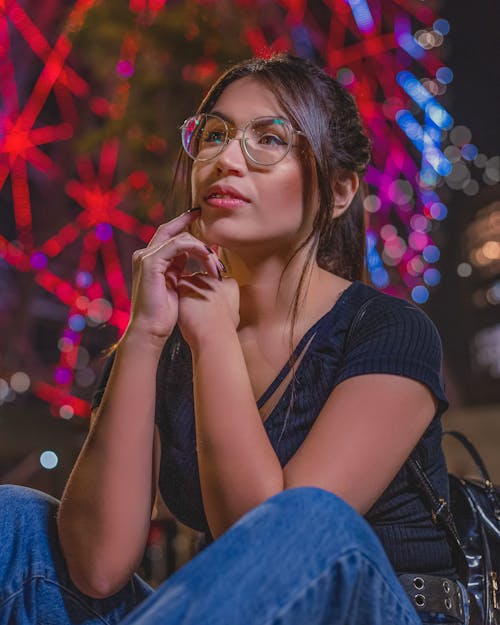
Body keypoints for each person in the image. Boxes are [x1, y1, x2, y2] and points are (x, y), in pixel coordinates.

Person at [0, 54, 469, 625]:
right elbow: (95, 567)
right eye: (214, 135)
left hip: (372, 608)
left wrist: (214, 337)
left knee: (311, 519)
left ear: (340, 191)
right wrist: (146, 335)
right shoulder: (169, 340)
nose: (224, 159)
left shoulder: (388, 331)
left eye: (269, 139)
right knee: (16, 519)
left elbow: (284, 551)